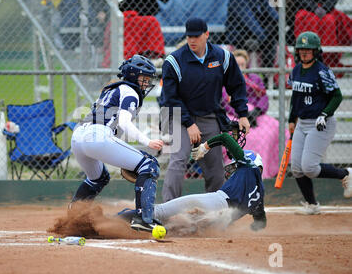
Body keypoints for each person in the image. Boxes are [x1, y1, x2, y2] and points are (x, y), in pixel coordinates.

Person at [70, 54, 165, 231]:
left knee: (98, 178)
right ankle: (144, 218)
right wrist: (148, 141)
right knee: (149, 165)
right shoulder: (130, 92)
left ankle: (73, 217)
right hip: (96, 136)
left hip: (78, 136)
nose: (146, 83)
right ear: (132, 76)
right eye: (144, 78)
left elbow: (113, 125)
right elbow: (123, 122)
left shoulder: (111, 89)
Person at [160, 17, 250, 203]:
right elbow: (170, 98)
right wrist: (189, 123)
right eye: (189, 36)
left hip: (209, 116)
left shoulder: (222, 57)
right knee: (178, 159)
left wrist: (242, 114)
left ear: (206, 35)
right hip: (178, 116)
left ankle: (215, 210)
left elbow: (237, 86)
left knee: (215, 167)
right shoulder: (174, 61)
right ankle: (167, 209)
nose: (192, 40)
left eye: (197, 36)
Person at [119, 132, 267, 232]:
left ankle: (109, 221)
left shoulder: (249, 166)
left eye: (236, 166)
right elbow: (260, 222)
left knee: (157, 212)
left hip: (214, 202)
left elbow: (225, 138)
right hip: (217, 224)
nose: (234, 170)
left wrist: (205, 146)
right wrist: (255, 227)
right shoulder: (260, 193)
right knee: (174, 227)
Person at [288, 31, 352, 215]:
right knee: (297, 168)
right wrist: (292, 119)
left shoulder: (322, 71)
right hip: (302, 123)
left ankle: (346, 174)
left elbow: (337, 96)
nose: (305, 53)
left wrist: (324, 113)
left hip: (320, 123)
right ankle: (312, 205)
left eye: (309, 49)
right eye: (302, 49)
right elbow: (296, 97)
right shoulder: (295, 70)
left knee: (309, 167)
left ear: (316, 51)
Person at [221, 49, 289, 178]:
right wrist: (242, 114)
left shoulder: (254, 79)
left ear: (247, 65)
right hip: (234, 114)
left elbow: (263, 99)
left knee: (274, 130)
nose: (240, 68)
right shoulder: (226, 80)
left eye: (243, 65)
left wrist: (256, 112)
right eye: (237, 65)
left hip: (256, 114)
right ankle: (236, 170)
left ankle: (265, 170)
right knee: (244, 136)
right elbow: (224, 102)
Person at [288, 0, 352, 69]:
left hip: (325, 9)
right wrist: (314, 8)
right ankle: (310, 55)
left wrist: (325, 7)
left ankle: (328, 59)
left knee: (329, 20)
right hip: (307, 8)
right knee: (309, 20)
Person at [225, 0, 279, 67]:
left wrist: (280, 25)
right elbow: (248, 20)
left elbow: (273, 15)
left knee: (271, 31)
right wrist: (263, 37)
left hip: (258, 34)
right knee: (268, 39)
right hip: (240, 33)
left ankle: (266, 74)